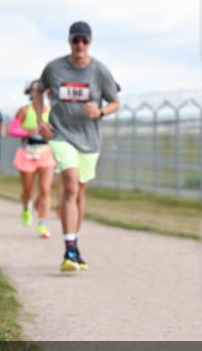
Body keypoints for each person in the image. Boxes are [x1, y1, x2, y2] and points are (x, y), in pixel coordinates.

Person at [36, 21, 121, 271]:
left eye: (84, 40)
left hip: (89, 138)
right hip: (61, 134)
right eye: (76, 40)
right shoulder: (54, 68)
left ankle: (75, 242)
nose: (80, 45)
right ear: (69, 42)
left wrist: (101, 111)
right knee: (70, 184)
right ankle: (69, 249)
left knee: (79, 191)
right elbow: (38, 91)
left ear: (90, 42)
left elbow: (115, 101)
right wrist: (42, 119)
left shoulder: (100, 71)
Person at [13, 81, 55, 237]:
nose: (38, 92)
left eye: (42, 89)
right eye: (35, 90)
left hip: (45, 152)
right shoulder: (24, 111)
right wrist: (27, 132)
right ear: (29, 92)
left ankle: (42, 224)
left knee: (45, 189)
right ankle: (26, 206)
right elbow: (13, 129)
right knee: (28, 190)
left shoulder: (51, 111)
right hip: (27, 152)